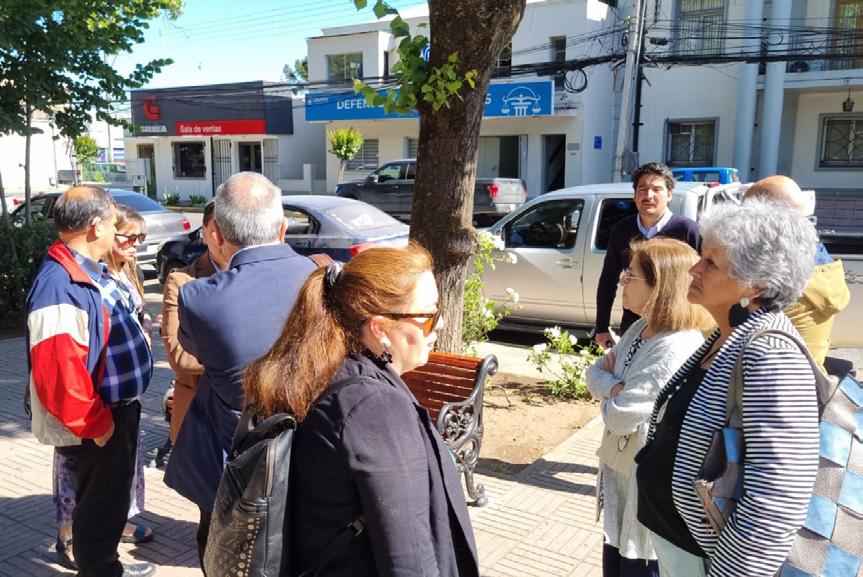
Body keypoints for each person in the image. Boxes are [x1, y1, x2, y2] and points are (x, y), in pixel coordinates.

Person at [243, 244, 479, 577]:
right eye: (429, 315)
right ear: (380, 328)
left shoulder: (318, 370)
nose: (440, 324)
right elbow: (408, 555)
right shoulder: (375, 409)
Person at [635, 199, 820, 577]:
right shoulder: (727, 336)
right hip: (678, 544)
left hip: (711, 562)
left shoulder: (771, 355)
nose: (694, 269)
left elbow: (776, 501)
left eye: (711, 262)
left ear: (757, 284)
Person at [163, 172, 317, 569]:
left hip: (233, 459)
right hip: (308, 451)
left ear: (215, 231)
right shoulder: (321, 282)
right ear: (282, 229)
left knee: (223, 554)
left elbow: (194, 351)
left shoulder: (199, 298)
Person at [26, 186, 155, 577]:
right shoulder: (60, 284)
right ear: (96, 226)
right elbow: (60, 378)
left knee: (108, 508)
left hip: (113, 415)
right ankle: (101, 569)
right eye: (114, 224)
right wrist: (98, 427)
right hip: (97, 424)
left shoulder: (83, 271)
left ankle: (106, 565)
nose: (117, 233)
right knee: (99, 513)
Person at [587, 238, 712, 577]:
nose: (621, 281)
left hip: (645, 498)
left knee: (636, 566)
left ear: (661, 287)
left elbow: (620, 417)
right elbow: (593, 373)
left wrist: (612, 387)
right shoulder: (641, 327)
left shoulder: (674, 345)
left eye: (631, 275)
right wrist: (615, 387)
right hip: (622, 476)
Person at [742, 175, 850, 368]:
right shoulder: (820, 263)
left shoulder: (775, 280)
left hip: (770, 379)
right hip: (810, 378)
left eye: (745, 216)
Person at [594, 162, 700, 350]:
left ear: (669, 194)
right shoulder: (622, 230)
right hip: (633, 325)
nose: (648, 195)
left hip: (674, 327)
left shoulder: (688, 231)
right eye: (642, 189)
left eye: (656, 189)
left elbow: (702, 279)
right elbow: (608, 280)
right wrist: (601, 327)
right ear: (635, 195)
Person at [160, 200, 225, 447]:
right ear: (204, 232)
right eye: (216, 228)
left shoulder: (256, 275)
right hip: (198, 416)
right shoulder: (182, 281)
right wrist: (246, 360)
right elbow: (179, 355)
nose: (223, 235)